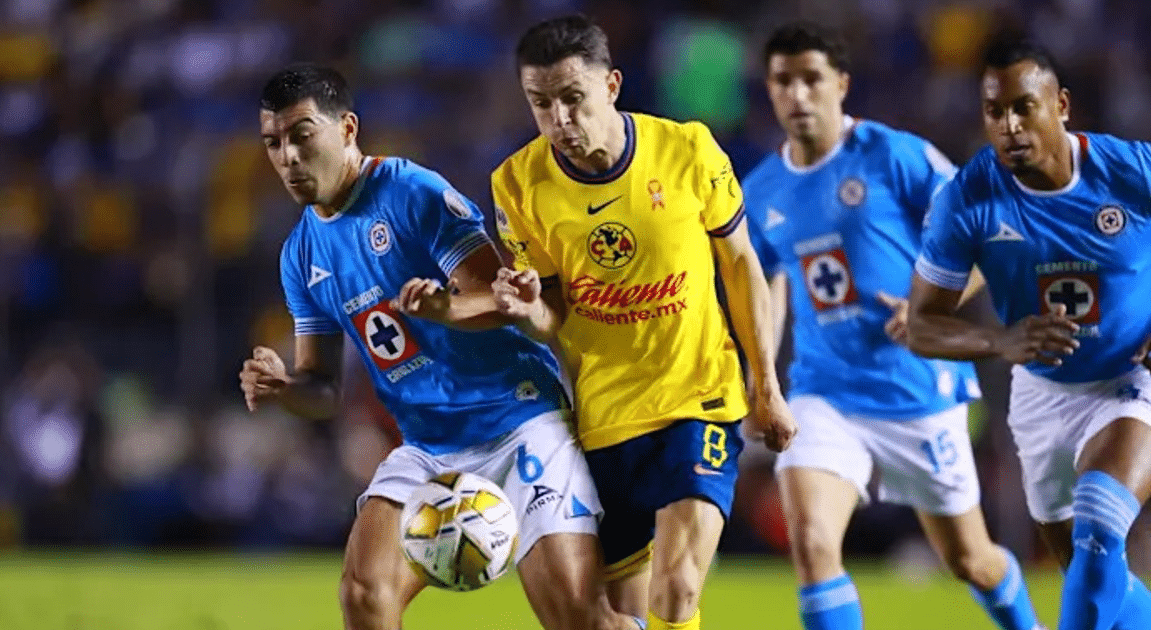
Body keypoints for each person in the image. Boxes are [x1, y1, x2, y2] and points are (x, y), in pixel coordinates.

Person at [240, 63, 642, 630]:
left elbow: (499, 298)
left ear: (347, 129)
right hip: (429, 446)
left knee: (577, 617)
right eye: (274, 142)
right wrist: (286, 388)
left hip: (519, 419)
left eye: (302, 135)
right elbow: (323, 389)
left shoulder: (410, 192)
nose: (287, 156)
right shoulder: (300, 255)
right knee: (365, 593)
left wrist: (443, 310)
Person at [487, 15, 797, 630]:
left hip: (698, 397)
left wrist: (766, 386)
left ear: (611, 86)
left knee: (677, 589)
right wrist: (528, 312)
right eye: (540, 103)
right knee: (620, 615)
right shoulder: (517, 184)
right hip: (604, 414)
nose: (559, 121)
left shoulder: (687, 149)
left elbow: (741, 267)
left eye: (572, 99)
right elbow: (553, 315)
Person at [740, 21, 1044, 630]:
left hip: (916, 391)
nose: (797, 94)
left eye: (811, 79)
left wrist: (931, 305)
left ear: (841, 84)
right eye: (783, 81)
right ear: (769, 90)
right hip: (825, 392)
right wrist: (763, 377)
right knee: (811, 540)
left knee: (969, 560)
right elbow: (766, 283)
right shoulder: (760, 188)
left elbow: (983, 236)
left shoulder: (891, 154)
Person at [909, 34, 1151, 630]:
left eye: (1024, 107)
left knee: (1099, 527)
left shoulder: (1131, 171)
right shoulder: (968, 199)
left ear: (1061, 105)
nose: (1010, 125)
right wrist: (999, 340)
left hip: (1129, 379)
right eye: (995, 111)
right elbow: (921, 324)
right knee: (1093, 572)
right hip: (1041, 394)